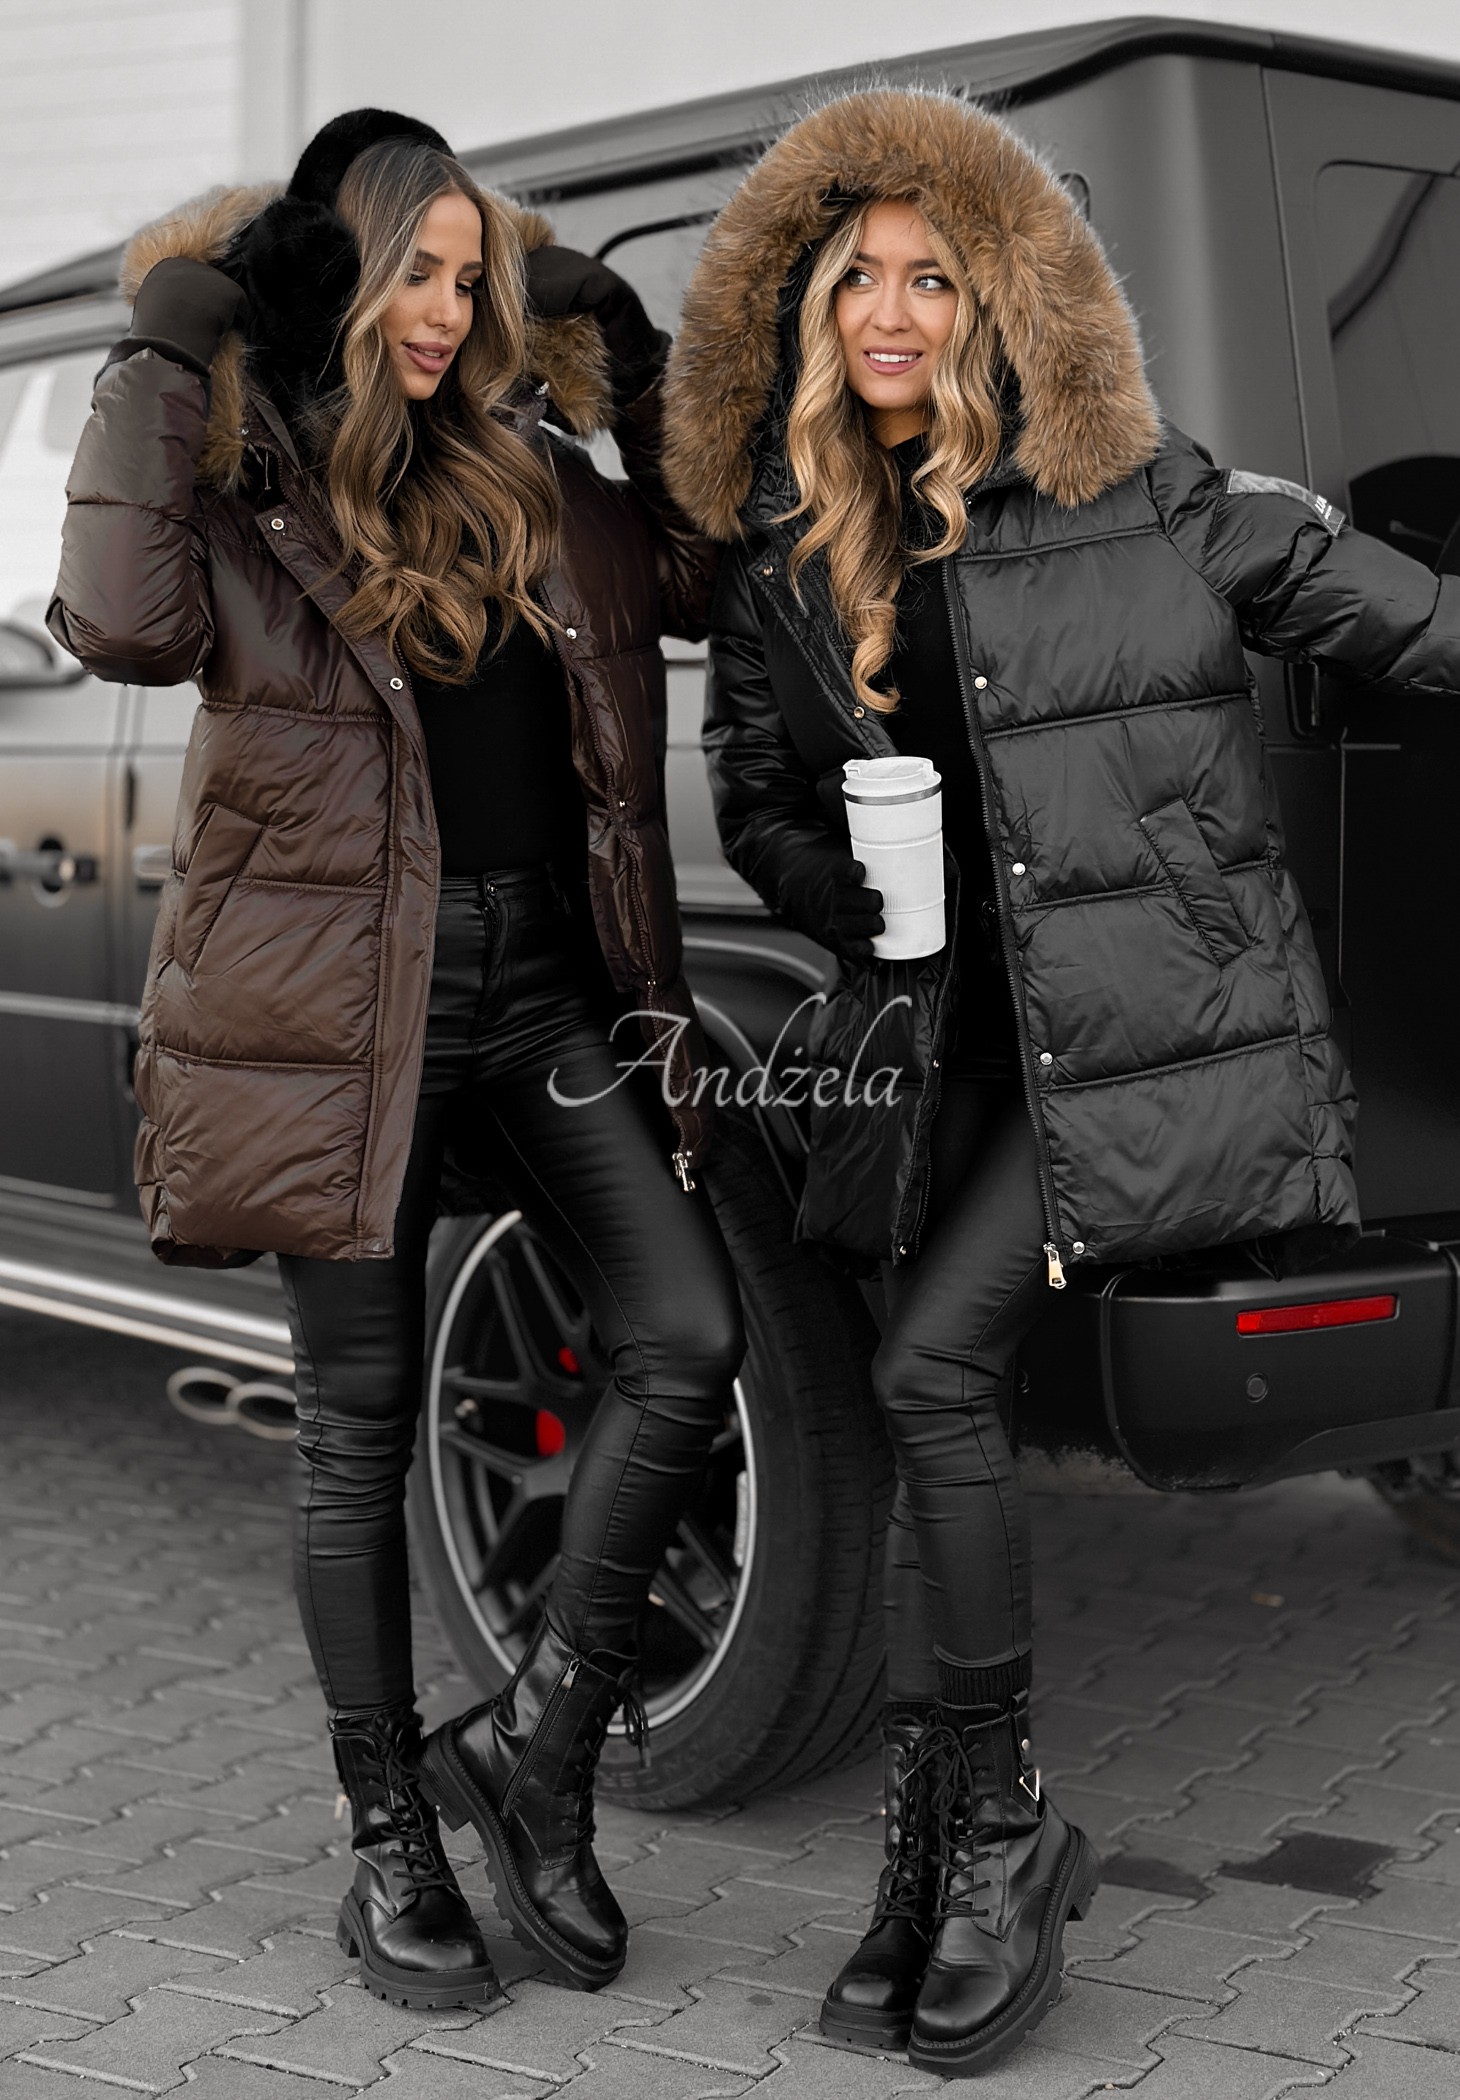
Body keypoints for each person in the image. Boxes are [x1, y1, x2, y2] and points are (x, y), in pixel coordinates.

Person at [662, 87, 1460, 2078]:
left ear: (1004, 300)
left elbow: (1413, 624)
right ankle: (937, 1845)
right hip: (924, 1041)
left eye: (935, 277)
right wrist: (847, 881)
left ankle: (1001, 1832)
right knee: (906, 1391)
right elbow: (751, 795)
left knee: (931, 1374)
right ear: (813, 308)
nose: (892, 310)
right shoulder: (783, 545)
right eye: (860, 278)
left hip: (1122, 1034)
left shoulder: (1146, 492)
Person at [50, 108, 744, 2014]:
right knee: (356, 1424)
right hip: (341, 1007)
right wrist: (160, 346)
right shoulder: (247, 482)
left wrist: (633, 358)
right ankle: (388, 1838)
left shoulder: (534, 473)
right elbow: (117, 622)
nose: (443, 311)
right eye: (410, 273)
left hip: (546, 994)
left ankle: (534, 1753)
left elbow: (711, 565)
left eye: (469, 276)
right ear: (336, 282)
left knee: (688, 1331)